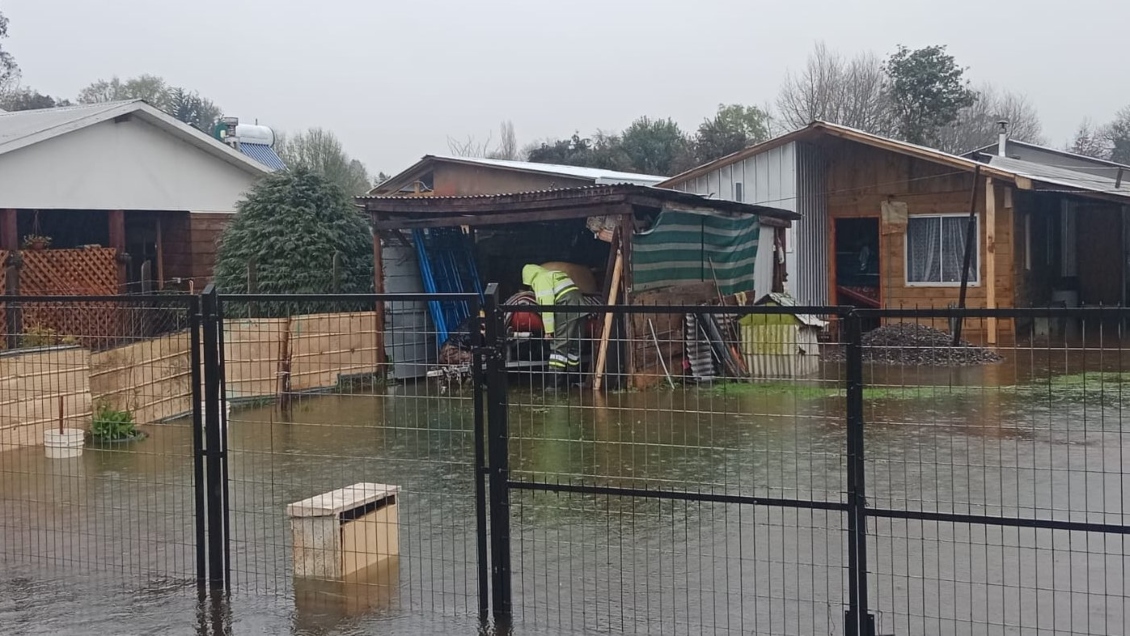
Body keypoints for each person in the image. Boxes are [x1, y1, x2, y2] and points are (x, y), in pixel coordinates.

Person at [521, 264, 584, 387]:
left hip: (566, 306)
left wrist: (548, 331)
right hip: (580, 305)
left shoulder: (540, 280)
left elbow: (547, 307)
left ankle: (553, 385)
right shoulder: (554, 274)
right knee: (575, 346)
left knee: (559, 346)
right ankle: (572, 381)